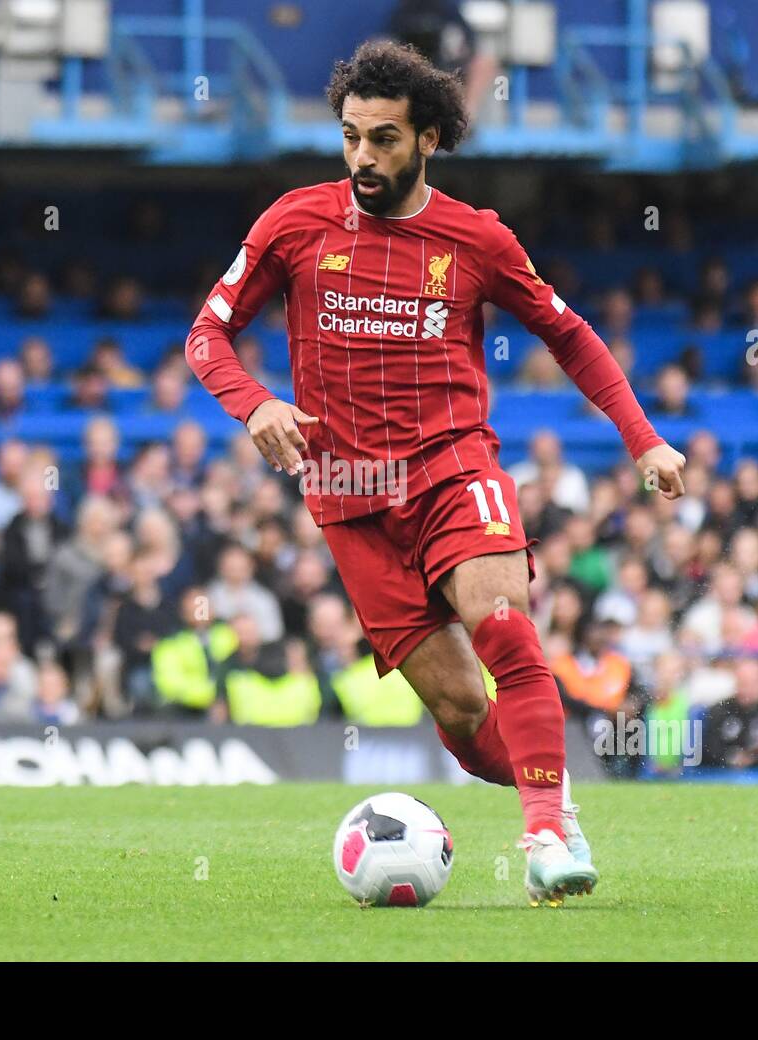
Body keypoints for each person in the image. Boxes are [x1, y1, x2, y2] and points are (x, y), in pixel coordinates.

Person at [185, 41, 686, 903]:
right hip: (346, 497)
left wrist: (641, 438)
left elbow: (567, 331)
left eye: (383, 139)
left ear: (429, 140)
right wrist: (255, 403)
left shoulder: (475, 236)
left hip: (452, 468)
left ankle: (539, 838)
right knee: (459, 710)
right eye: (350, 137)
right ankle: (554, 799)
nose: (362, 158)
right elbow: (206, 333)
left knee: (505, 629)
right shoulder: (296, 223)